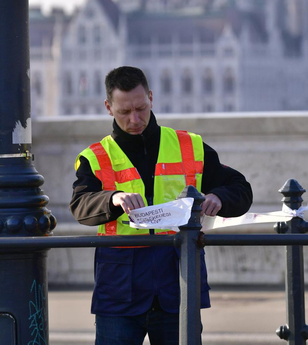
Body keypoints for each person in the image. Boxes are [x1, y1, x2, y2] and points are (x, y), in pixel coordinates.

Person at [70, 66, 253, 345]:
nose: (135, 119)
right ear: (109, 107)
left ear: (152, 98)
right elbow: (80, 206)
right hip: (120, 286)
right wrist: (112, 198)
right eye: (124, 112)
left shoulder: (190, 145)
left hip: (176, 282)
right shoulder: (94, 157)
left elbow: (240, 188)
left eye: (141, 108)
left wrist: (219, 197)